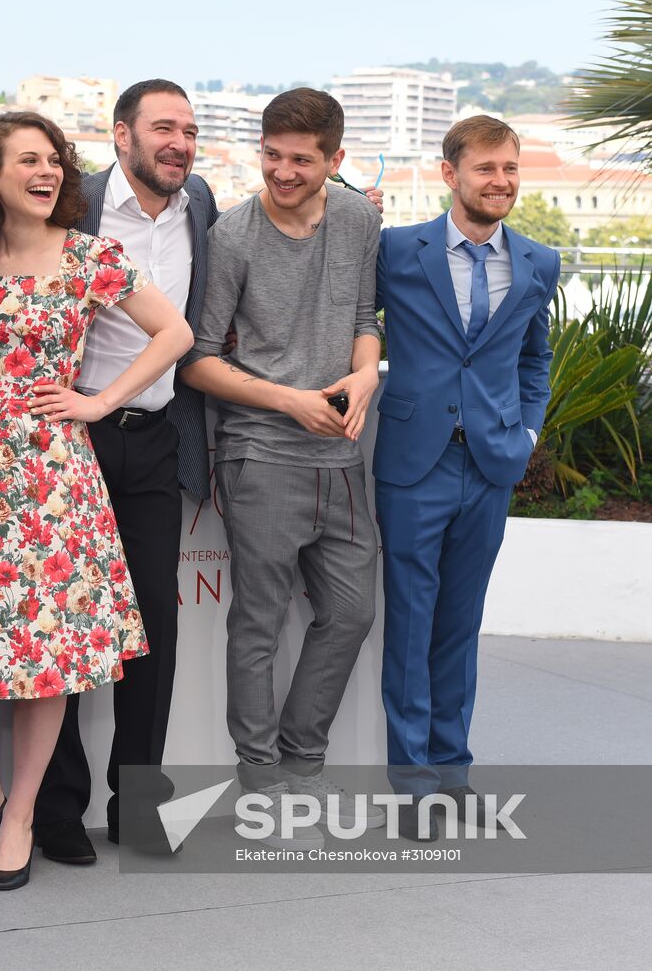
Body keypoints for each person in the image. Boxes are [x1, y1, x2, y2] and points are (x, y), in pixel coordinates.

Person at [0, 110, 194, 891]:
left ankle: (23, 815)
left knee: (44, 657)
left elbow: (174, 334)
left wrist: (97, 403)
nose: (47, 173)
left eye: (55, 162)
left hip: (50, 479)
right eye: (28, 161)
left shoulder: (90, 256)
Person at [180, 88, 385, 828]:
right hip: (260, 453)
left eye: (302, 160)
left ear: (335, 159)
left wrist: (365, 373)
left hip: (341, 457)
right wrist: (286, 400)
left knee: (353, 613)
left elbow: (365, 319)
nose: (284, 172)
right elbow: (197, 361)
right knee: (259, 622)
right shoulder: (233, 236)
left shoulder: (361, 217)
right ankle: (260, 772)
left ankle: (304, 755)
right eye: (272, 156)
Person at [31, 79, 216, 863]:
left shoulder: (201, 206)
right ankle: (58, 811)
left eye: (191, 130)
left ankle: (138, 805)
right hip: (68, 437)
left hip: (153, 441)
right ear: (121, 135)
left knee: (152, 631)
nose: (180, 143)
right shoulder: (75, 206)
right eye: (164, 128)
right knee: (65, 627)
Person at [372, 115, 556, 840]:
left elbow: (534, 358)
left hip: (491, 464)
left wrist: (529, 427)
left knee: (460, 626)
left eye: (510, 168)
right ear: (451, 174)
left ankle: (454, 773)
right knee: (411, 625)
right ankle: (412, 786)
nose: (501, 181)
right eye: (486, 168)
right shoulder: (396, 250)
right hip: (414, 461)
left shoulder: (540, 261)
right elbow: (357, 325)